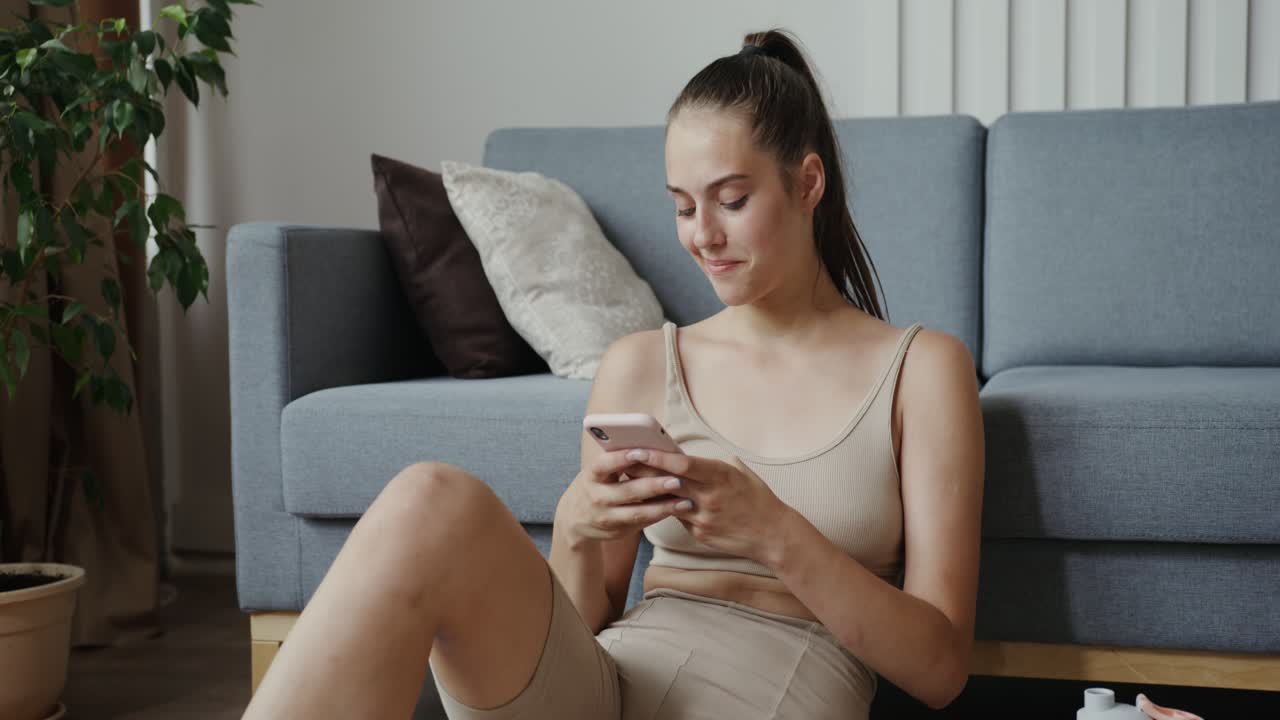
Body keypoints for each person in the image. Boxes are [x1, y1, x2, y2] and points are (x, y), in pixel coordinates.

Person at [242, 28, 985, 720]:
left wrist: (775, 534)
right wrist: (576, 528)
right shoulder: (641, 364)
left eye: (731, 200)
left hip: (774, 690)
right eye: (684, 207)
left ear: (808, 182)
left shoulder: (921, 372)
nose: (704, 235)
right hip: (608, 687)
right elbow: (582, 616)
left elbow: (940, 666)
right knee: (429, 499)